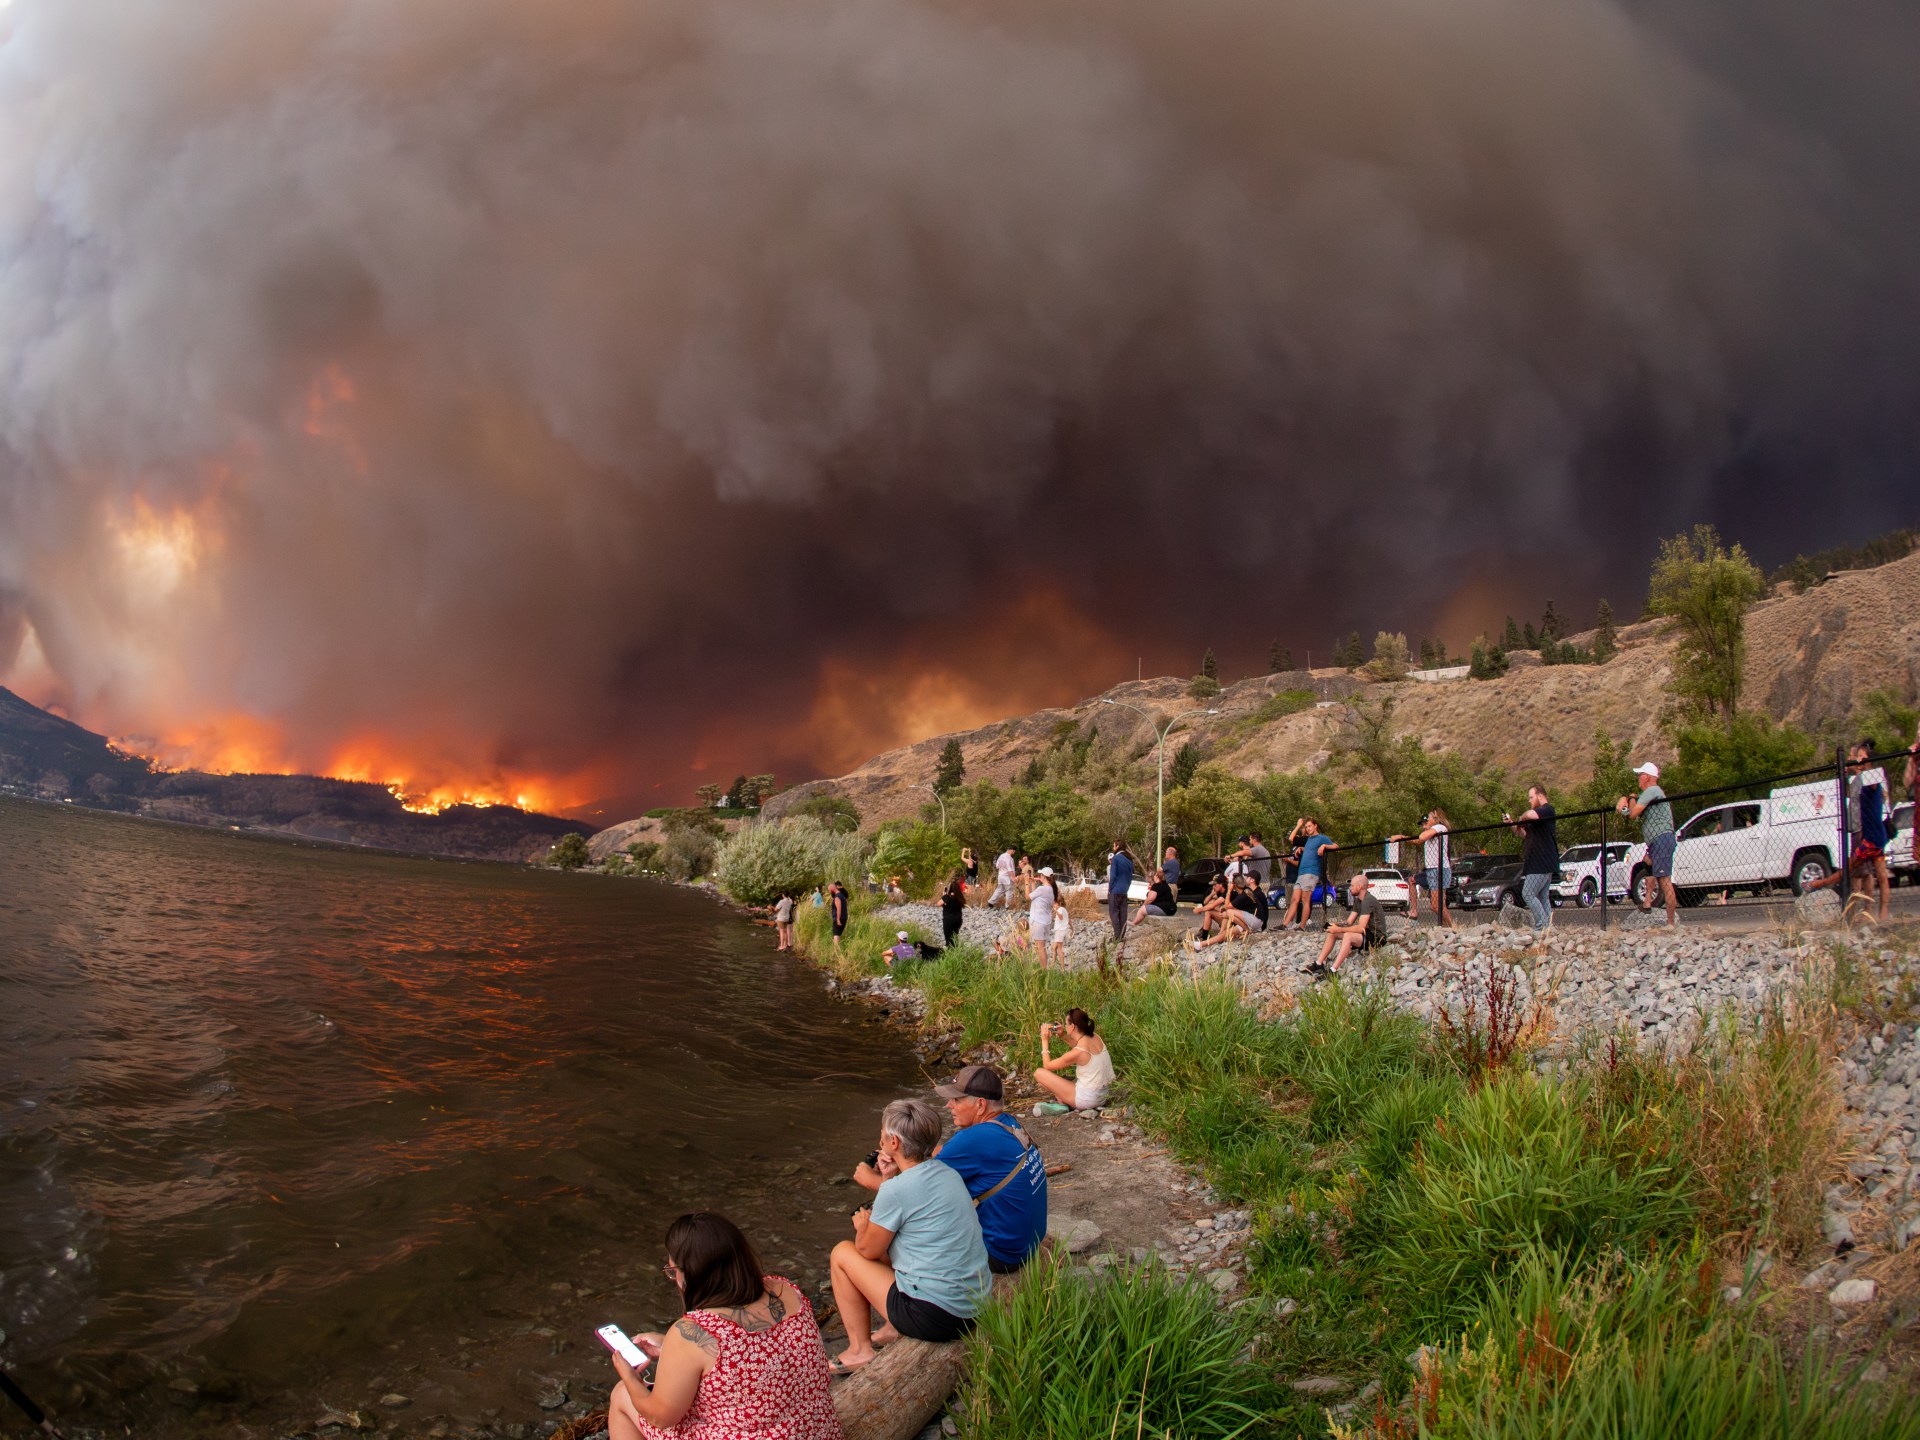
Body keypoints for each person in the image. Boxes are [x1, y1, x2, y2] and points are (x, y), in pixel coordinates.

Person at [605, 1211, 842, 1440]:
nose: (675, 1280)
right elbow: (754, 1357)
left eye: (673, 1271)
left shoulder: (694, 1331)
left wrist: (629, 1378)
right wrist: (670, 1348)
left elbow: (660, 1417)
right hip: (819, 1431)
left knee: (622, 1396)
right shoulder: (785, 1291)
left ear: (690, 1274)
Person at [829, 1100, 991, 1374]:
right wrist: (890, 1176)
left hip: (937, 1317)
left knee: (842, 1253)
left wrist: (862, 1227)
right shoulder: (947, 1172)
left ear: (893, 1142)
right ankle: (892, 1328)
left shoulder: (897, 1190)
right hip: (974, 1304)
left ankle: (860, 1350)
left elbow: (867, 1251)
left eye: (882, 1133)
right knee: (899, 1243)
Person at [929, 1066, 1048, 1273]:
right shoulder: (1007, 1123)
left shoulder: (972, 1139)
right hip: (1029, 1242)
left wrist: (878, 1178)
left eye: (956, 1100)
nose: (949, 1105)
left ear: (981, 1105)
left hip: (1003, 1255)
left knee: (920, 1222)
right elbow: (947, 1153)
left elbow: (919, 1184)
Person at [1618, 764, 1677, 928]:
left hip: (1661, 840)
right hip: (1656, 842)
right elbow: (1632, 813)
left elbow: (1633, 813)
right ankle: (1647, 903)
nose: (1638, 779)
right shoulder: (1651, 795)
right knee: (1648, 864)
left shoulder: (1652, 791)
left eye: (1640, 775)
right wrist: (1625, 806)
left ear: (1649, 777)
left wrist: (1629, 799)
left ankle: (1671, 923)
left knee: (1665, 881)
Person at [1303, 873, 1386, 977]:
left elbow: (1361, 928)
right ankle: (1318, 964)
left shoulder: (1367, 901)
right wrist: (1335, 925)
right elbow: (1349, 922)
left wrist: (1339, 929)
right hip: (1367, 933)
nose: (1350, 888)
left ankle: (1333, 971)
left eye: (1352, 885)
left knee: (1348, 936)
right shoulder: (1358, 900)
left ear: (1359, 887)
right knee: (1333, 933)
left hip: (1376, 937)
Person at [1032, 1008, 1115, 1112]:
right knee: (1064, 1083)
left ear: (1072, 1026)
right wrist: (1062, 1035)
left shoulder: (1078, 1052)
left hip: (1088, 1099)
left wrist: (1044, 1040)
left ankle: (1065, 1101)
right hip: (1104, 1094)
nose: (1065, 1026)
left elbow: (1047, 1065)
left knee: (1039, 1073)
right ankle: (1064, 1098)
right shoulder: (1095, 1037)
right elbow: (1080, 1047)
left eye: (1066, 1024)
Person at [1507, 784, 1559, 932]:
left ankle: (1541, 926)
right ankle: (1549, 928)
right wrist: (1512, 824)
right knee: (1542, 897)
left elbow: (1530, 815)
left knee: (1528, 893)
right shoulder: (1536, 821)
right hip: (1535, 862)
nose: (1529, 801)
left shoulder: (1547, 810)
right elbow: (1523, 834)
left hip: (1542, 861)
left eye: (1531, 797)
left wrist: (1522, 817)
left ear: (1540, 796)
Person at [1392, 810, 1452, 927]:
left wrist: (1426, 831)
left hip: (1439, 869)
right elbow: (1418, 840)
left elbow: (1422, 837)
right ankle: (1414, 911)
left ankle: (1451, 926)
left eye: (1426, 822)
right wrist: (1401, 837)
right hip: (1430, 870)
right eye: (1423, 824)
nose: (1424, 826)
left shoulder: (1440, 828)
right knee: (1412, 880)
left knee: (1436, 906)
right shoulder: (1431, 832)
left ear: (1436, 819)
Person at [1281, 818, 1338, 929]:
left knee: (1305, 899)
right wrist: (1301, 847)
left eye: (1309, 826)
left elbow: (1335, 846)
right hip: (1301, 872)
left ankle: (1302, 926)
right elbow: (1292, 839)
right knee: (1294, 899)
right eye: (1306, 827)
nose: (1308, 829)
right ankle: (1284, 924)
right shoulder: (1308, 840)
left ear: (1315, 826)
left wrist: (1324, 846)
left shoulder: (1321, 838)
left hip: (1311, 872)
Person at [1028, 867, 1059, 966]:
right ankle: (1043, 968)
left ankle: (1044, 970)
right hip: (1045, 922)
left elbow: (1027, 897)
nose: (1039, 876)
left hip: (1038, 922)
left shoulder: (1042, 889)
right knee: (1041, 947)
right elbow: (1034, 896)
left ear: (1043, 876)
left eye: (1040, 875)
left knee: (1040, 948)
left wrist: (1026, 883)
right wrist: (1033, 883)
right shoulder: (1050, 889)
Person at [1105, 839, 1134, 943]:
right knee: (1123, 914)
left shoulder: (1116, 859)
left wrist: (1110, 889)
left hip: (1115, 890)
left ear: (1117, 846)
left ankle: (1117, 936)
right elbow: (1131, 877)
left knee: (1114, 913)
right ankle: (1122, 935)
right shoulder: (1129, 860)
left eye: (1114, 846)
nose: (1113, 848)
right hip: (1124, 890)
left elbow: (1112, 876)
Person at [939, 871, 967, 948]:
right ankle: (955, 950)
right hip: (958, 920)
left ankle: (950, 952)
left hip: (949, 920)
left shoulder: (947, 897)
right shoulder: (960, 898)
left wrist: (944, 895)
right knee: (955, 937)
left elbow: (938, 903)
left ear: (950, 888)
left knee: (948, 938)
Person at [1050, 887, 1072, 968]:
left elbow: (1061, 917)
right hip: (1064, 930)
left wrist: (1055, 911)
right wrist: (1072, 929)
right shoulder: (1064, 909)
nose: (1054, 905)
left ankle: (1062, 967)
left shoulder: (1060, 910)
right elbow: (1069, 921)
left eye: (1055, 903)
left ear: (1059, 903)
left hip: (1060, 931)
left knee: (1060, 949)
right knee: (1054, 947)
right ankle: (1052, 964)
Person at [827, 881, 850, 952]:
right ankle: (837, 952)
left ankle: (836, 953)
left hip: (839, 918)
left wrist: (838, 919)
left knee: (836, 935)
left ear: (832, 890)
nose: (829, 892)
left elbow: (838, 908)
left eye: (829, 891)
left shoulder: (837, 897)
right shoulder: (842, 895)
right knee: (838, 935)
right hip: (844, 917)